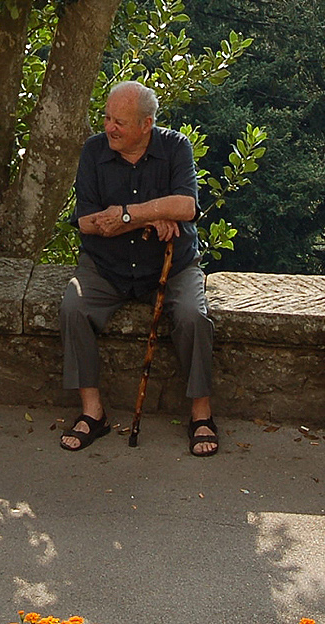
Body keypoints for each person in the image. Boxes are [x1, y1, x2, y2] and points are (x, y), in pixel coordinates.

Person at [59, 80, 218, 457]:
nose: (110, 128)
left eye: (121, 122)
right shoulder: (94, 151)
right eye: (107, 118)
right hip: (107, 266)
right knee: (72, 309)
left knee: (195, 316)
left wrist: (132, 214)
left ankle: (201, 413)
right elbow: (85, 221)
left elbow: (188, 208)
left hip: (171, 265)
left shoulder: (176, 147)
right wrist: (153, 217)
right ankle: (91, 411)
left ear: (146, 125)